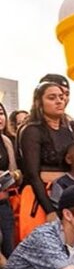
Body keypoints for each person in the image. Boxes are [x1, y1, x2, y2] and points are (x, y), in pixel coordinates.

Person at [17, 82, 74, 235]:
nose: (59, 101)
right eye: (52, 97)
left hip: (68, 191)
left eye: (61, 97)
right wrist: (49, 209)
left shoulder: (69, 131)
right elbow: (32, 174)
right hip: (40, 195)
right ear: (39, 102)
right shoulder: (32, 130)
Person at [0, 103, 21, 260]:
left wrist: (12, 176)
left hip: (4, 203)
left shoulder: (6, 141)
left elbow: (17, 173)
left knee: (9, 249)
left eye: (1, 113)